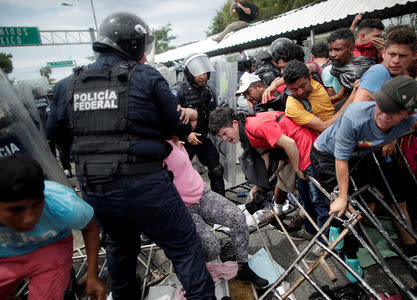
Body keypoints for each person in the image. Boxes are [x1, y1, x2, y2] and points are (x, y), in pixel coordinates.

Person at [46, 12, 215, 299]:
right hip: (146, 184)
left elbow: (55, 135)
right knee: (185, 247)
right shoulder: (146, 76)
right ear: (134, 45)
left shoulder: (66, 86)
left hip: (97, 190)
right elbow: (175, 127)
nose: (146, 58)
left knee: (120, 247)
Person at [310, 76, 417, 281]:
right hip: (329, 155)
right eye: (383, 106)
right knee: (348, 209)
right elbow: (341, 160)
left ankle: (339, 227)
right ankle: (350, 256)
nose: (384, 115)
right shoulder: (355, 116)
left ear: (407, 113)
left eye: (394, 112)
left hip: (362, 154)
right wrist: (343, 197)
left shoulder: (411, 116)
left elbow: (416, 111)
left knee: (367, 208)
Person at [209, 107, 319, 256]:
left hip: (306, 151)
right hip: (298, 154)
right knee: (307, 199)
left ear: (235, 123)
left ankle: (327, 243)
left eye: (224, 133)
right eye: (220, 136)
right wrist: (260, 186)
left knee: (318, 201)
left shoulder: (255, 125)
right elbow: (264, 156)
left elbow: (290, 143)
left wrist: (297, 168)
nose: (224, 139)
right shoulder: (246, 131)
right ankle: (311, 232)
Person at [164, 135, 269, 288]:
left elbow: (191, 116)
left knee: (237, 217)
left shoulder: (175, 136)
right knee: (211, 248)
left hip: (201, 194)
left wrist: (184, 136)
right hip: (181, 208)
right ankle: (197, 269)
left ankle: (243, 268)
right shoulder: (152, 149)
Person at [0, 155, 106, 300]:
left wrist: (92, 275)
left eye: (37, 205)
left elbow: (90, 228)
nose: (29, 219)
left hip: (50, 247)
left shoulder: (62, 203)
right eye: (16, 210)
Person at [282, 60, 358, 241]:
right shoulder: (292, 105)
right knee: (321, 200)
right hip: (320, 152)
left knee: (316, 198)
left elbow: (324, 105)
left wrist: (339, 97)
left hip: (339, 139)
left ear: (310, 77)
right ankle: (327, 239)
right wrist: (351, 98)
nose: (300, 92)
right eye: (294, 90)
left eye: (302, 86)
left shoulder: (316, 83)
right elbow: (325, 127)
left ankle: (321, 233)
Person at [172, 53, 225, 195]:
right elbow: (171, 117)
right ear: (189, 73)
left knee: (217, 168)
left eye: (204, 72)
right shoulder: (178, 91)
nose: (202, 76)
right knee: (178, 175)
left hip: (202, 137)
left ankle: (222, 202)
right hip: (183, 141)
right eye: (198, 73)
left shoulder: (209, 91)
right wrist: (187, 133)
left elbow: (214, 112)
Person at [322, 28, 355, 106]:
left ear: (351, 49)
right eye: (330, 50)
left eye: (337, 50)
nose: (332, 54)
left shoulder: (363, 67)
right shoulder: (328, 72)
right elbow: (332, 104)